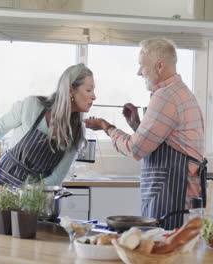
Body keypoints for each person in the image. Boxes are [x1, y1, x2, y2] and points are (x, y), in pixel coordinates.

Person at [84, 38, 206, 230]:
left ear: (159, 66)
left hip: (173, 195)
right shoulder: (180, 92)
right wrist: (137, 126)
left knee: (162, 253)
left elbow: (135, 149)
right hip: (178, 193)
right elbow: (167, 141)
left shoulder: (166, 96)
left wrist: (106, 127)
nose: (139, 72)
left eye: (142, 66)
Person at [0, 63, 96, 191]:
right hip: (1, 188)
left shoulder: (76, 133)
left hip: (35, 198)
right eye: (89, 90)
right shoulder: (32, 107)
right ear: (71, 90)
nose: (94, 96)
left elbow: (56, 178)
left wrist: (24, 193)